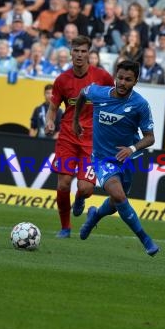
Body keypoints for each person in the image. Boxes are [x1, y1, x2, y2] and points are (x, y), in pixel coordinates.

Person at [73, 60, 160, 256]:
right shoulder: (98, 93)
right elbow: (82, 95)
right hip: (102, 158)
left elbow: (150, 137)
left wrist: (131, 148)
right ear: (115, 76)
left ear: (136, 81)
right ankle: (146, 240)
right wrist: (76, 120)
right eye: (119, 78)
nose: (122, 83)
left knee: (116, 202)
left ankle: (94, 216)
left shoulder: (140, 105)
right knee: (119, 195)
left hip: (126, 159)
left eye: (128, 80)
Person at [44, 35, 114, 238]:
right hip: (67, 136)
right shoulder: (62, 80)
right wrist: (50, 121)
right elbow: (53, 108)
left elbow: (114, 100)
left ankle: (81, 198)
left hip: (93, 141)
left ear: (89, 53)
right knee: (63, 183)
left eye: (84, 51)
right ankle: (65, 227)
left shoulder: (102, 77)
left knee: (85, 188)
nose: (80, 55)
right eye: (76, 50)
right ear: (71, 51)